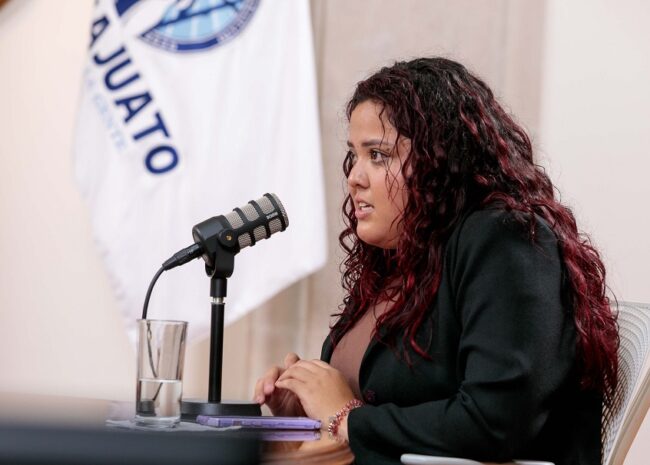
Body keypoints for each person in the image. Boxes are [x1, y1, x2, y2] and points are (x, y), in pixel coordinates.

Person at [253, 57, 619, 465]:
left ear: (440, 160)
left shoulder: (505, 240)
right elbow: (378, 407)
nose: (355, 176)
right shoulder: (402, 263)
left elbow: (493, 422)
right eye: (354, 155)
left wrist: (346, 418)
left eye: (378, 155)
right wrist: (306, 410)